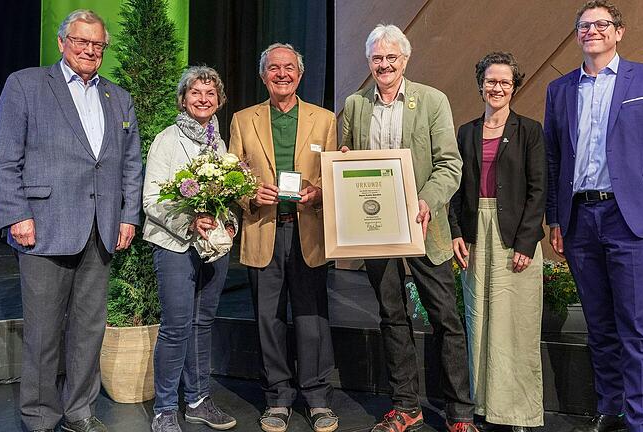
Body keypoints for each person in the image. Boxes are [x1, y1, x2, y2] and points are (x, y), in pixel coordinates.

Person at [0, 9, 142, 432]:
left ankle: (79, 413)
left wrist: (128, 216)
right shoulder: (26, 85)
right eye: (82, 41)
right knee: (43, 332)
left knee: (89, 332)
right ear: (62, 42)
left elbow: (130, 164)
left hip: (102, 230)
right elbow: (1, 158)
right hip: (43, 227)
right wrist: (16, 214)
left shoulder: (118, 96)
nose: (90, 50)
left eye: (97, 44)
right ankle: (39, 417)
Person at [544, 2, 643, 431]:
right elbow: (554, 160)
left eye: (602, 24)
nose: (593, 31)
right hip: (580, 221)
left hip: (632, 221)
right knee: (600, 327)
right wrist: (556, 218)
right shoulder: (560, 90)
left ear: (619, 32)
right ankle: (611, 411)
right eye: (585, 26)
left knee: (638, 329)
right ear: (577, 35)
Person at [341, 24, 476, 432]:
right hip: (375, 229)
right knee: (391, 317)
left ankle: (459, 413)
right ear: (369, 62)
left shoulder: (432, 101)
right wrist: (344, 161)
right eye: (377, 58)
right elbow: (344, 161)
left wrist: (425, 201)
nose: (384, 64)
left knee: (446, 320)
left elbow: (450, 165)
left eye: (391, 57)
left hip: (424, 226)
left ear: (405, 59)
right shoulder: (353, 105)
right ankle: (406, 407)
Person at [228, 43, 339, 432]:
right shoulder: (243, 120)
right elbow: (232, 173)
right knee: (268, 318)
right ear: (263, 76)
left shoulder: (325, 119)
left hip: (308, 228)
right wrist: (248, 194)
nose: (282, 74)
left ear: (301, 73)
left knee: (312, 318)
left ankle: (317, 397)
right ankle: (277, 397)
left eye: (289, 67)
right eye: (273, 68)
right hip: (264, 230)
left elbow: (334, 171)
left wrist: (321, 190)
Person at [448, 52, 546, 432]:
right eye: (491, 81)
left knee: (516, 325)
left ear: (514, 87)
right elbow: (455, 189)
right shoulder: (467, 132)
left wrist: (525, 243)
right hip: (476, 234)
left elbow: (539, 190)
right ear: (480, 85)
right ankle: (482, 406)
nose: (497, 87)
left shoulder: (530, 131)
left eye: (505, 82)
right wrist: (457, 232)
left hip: (514, 234)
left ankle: (518, 413)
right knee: (479, 321)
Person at [142, 66, 238, 432]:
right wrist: (189, 223)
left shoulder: (219, 143)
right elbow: (151, 199)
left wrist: (228, 222)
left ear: (219, 100)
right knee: (177, 326)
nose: (203, 99)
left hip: (213, 248)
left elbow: (225, 194)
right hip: (174, 245)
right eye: (195, 92)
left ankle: (197, 400)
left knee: (203, 323)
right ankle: (165, 409)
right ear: (183, 100)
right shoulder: (167, 140)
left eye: (210, 93)